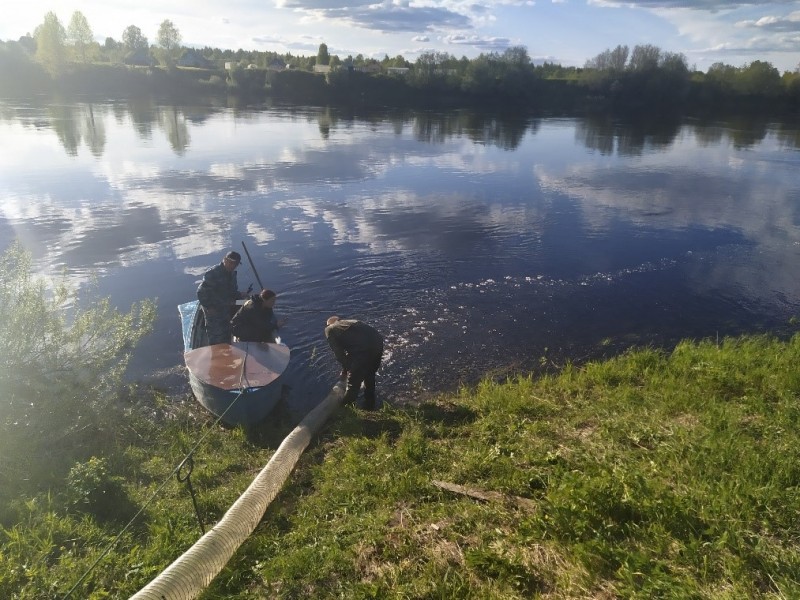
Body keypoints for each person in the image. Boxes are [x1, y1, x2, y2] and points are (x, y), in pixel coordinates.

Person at [324, 316, 384, 409]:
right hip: (378, 343)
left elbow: (339, 353)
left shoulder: (330, 329)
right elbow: (353, 345)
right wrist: (345, 369)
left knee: (353, 383)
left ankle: (344, 410)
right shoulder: (351, 322)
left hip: (362, 349)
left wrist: (348, 368)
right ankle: (370, 405)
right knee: (370, 374)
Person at [197, 251, 248, 345]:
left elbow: (231, 291)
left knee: (226, 332)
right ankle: (216, 353)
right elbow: (201, 292)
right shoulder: (213, 273)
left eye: (236, 264)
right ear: (224, 260)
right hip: (213, 309)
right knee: (215, 335)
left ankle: (226, 350)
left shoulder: (232, 274)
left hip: (225, 308)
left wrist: (240, 295)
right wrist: (208, 307)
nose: (233, 265)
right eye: (231, 262)